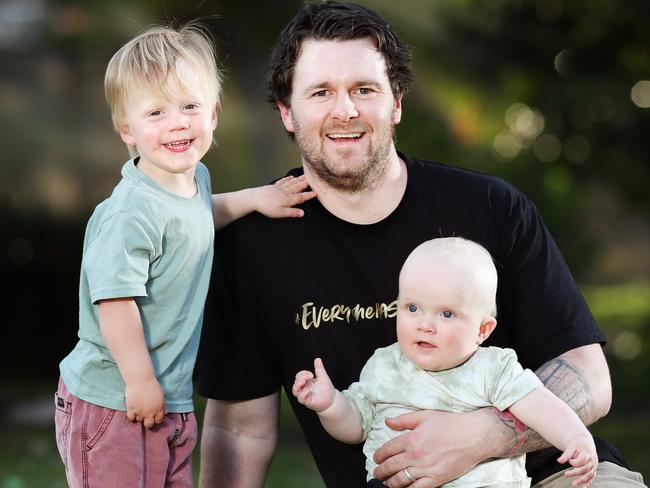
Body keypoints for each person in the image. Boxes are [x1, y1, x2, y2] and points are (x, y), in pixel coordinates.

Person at [195, 2, 645, 487]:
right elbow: (239, 429)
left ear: (397, 102)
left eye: (364, 90)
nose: (344, 110)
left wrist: (484, 434)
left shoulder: (489, 208)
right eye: (321, 92)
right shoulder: (254, 244)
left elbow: (590, 378)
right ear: (287, 111)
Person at [54, 23, 315, 488]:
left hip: (165, 396)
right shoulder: (129, 215)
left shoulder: (193, 181)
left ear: (213, 114)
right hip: (115, 399)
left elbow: (195, 218)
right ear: (126, 130)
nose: (177, 122)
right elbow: (114, 303)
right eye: (155, 112)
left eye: (189, 106)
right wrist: (138, 381)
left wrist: (256, 199)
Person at [293, 237, 597, 487]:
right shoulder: (384, 365)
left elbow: (541, 406)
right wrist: (330, 403)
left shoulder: (492, 369)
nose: (425, 324)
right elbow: (356, 425)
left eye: (446, 314)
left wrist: (575, 437)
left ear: (482, 330)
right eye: (412, 308)